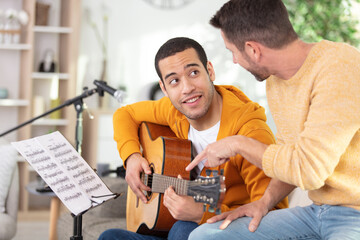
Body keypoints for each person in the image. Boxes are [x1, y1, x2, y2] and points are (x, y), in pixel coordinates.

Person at [187, 0, 360, 239]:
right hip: (316, 212)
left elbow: (308, 170)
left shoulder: (340, 68)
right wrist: (264, 203)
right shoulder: (276, 80)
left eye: (233, 51)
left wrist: (238, 143)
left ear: (253, 49)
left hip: (355, 216)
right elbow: (289, 156)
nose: (235, 60)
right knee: (204, 236)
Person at [98, 37, 291, 240]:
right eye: (174, 81)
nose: (187, 88)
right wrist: (132, 157)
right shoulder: (174, 110)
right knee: (110, 237)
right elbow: (125, 114)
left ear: (210, 71)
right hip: (177, 228)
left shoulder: (250, 133)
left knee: (184, 229)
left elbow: (273, 218)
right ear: (164, 89)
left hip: (226, 232)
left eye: (193, 73)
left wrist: (202, 213)